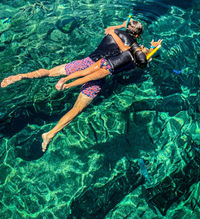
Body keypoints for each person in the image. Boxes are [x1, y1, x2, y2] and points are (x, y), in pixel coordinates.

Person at [1, 19, 161, 152]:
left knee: (50, 72)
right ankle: (50, 134)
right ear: (138, 35)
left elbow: (109, 29)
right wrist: (151, 48)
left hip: (84, 63)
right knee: (76, 109)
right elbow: (138, 57)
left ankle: (21, 76)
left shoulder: (114, 32)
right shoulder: (132, 47)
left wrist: (119, 27)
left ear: (127, 27)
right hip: (99, 74)